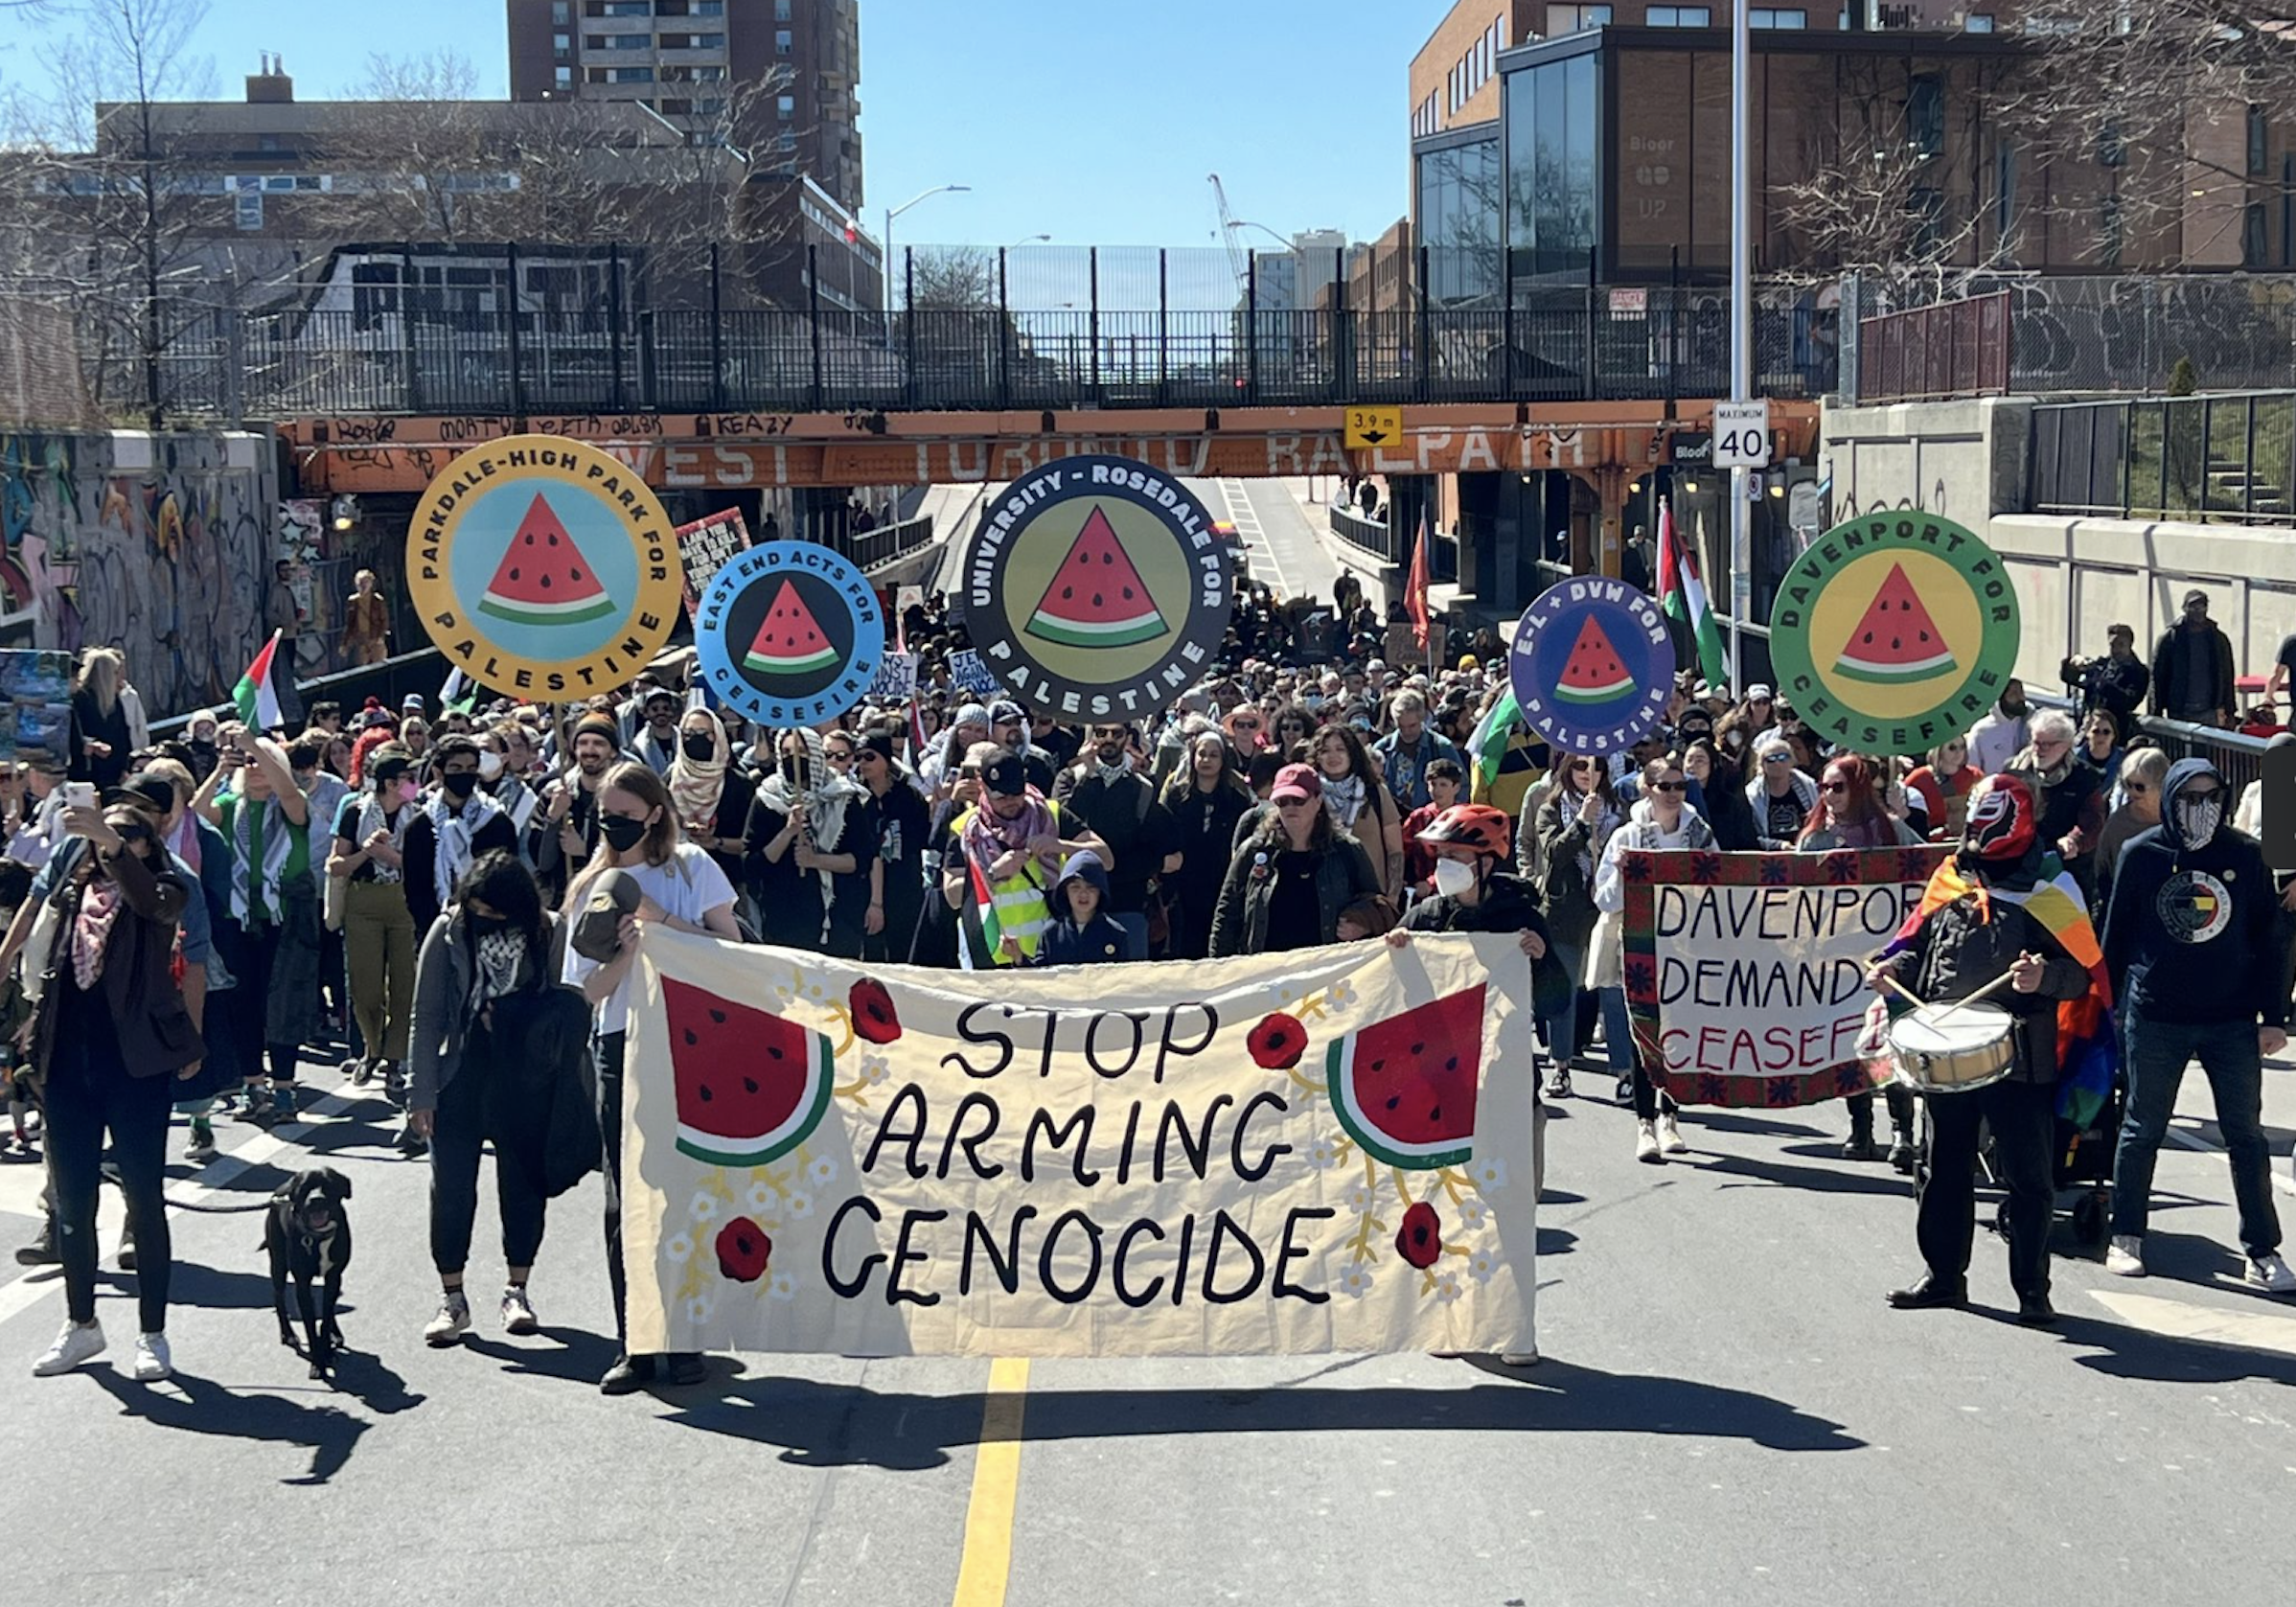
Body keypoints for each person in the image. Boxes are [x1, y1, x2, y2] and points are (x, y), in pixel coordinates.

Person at [1871, 774, 2094, 1325]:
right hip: (1947, 1048)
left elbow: (2084, 977)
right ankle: (1944, 1276)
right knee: (1941, 1166)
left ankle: (2032, 1290)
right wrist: (1890, 967)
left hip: (2020, 1056)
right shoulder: (1951, 875)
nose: (1975, 831)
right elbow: (1915, 944)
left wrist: (2043, 976)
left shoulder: (2051, 885)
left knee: (2029, 1178)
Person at [562, 762, 742, 1394]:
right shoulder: (592, 883)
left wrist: (666, 925)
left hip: (686, 1042)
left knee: (683, 1191)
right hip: (618, 1043)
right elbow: (585, 987)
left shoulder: (691, 867)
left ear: (655, 813)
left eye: (625, 813)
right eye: (603, 811)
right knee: (623, 1198)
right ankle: (633, 1342)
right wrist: (624, 954)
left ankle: (688, 1337)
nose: (612, 823)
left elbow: (734, 951)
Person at [2101, 758, 2296, 1291]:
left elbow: (2273, 941)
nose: (2201, 809)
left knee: (2247, 1137)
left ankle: (2262, 1250)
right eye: (2191, 797)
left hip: (2230, 1020)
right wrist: (2108, 1010)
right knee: (2142, 1130)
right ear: (2171, 800)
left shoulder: (2245, 854)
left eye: (2212, 797)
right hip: (2156, 1015)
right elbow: (2114, 937)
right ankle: (2127, 1235)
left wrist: (2274, 1017)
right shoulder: (2140, 855)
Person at [27, 794, 199, 1381]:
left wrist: (112, 840)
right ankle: (82, 1325)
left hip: (137, 1070)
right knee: (74, 1205)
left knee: (144, 1201)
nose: (103, 848)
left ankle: (153, 1333)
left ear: (147, 847)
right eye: (99, 839)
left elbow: (153, 903)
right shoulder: (75, 894)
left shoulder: (165, 892)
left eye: (127, 836)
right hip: (70, 1069)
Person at [409, 851, 567, 1346]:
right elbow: (426, 1013)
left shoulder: (549, 930)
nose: (485, 918)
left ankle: (517, 1290)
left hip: (523, 1078)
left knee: (522, 1189)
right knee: (452, 1189)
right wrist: (420, 1092)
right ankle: (451, 1298)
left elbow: (566, 1002)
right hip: (460, 1074)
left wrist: (525, 1023)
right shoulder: (450, 929)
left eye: (495, 912)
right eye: (477, 909)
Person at [1798, 754, 1924, 1162]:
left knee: (1889, 1043)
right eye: (1823, 787)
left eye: (1837, 787)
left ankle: (1902, 1131)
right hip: (1836, 961)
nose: (1829, 795)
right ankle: (1860, 1127)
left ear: (1858, 788)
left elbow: (1929, 868)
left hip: (1885, 961)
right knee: (1850, 1045)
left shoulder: (1888, 830)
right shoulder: (1815, 836)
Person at [195, 730, 319, 1127]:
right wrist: (220, 770)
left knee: (283, 1004)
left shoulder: (291, 807)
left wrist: (255, 748)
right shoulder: (230, 806)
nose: (254, 768)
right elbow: (196, 815)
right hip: (238, 918)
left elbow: (288, 794)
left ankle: (284, 1086)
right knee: (242, 1003)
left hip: (286, 918)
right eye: (248, 763)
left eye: (263, 762)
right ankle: (254, 1084)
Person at [1594, 752, 1711, 1161]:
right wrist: (1626, 874)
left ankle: (1670, 1118)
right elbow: (1604, 898)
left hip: (1686, 948)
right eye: (1666, 786)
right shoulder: (1625, 836)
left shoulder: (1699, 833)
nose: (1675, 794)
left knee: (1677, 1033)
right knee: (1644, 1033)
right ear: (1648, 788)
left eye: (1682, 786)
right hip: (1641, 947)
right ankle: (1644, 1122)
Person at [940, 751, 1106, 967]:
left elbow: (1105, 858)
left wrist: (1060, 845)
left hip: (1047, 952)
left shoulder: (1050, 814)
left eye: (1016, 793)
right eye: (1000, 796)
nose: (1010, 802)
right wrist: (992, 874)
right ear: (983, 785)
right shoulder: (965, 829)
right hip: (989, 955)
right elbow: (952, 895)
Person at [1209, 764, 1380, 956]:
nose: (1290, 807)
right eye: (1282, 801)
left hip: (1328, 970)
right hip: (1266, 970)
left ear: (1318, 801)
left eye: (1298, 800)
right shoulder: (1253, 850)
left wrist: (1361, 923)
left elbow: (1376, 904)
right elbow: (1227, 913)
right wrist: (1219, 969)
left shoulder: (1347, 850)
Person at [330, 742, 420, 1096]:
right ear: (388, 783)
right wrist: (368, 851)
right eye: (407, 778)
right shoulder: (355, 811)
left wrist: (391, 856)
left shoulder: (419, 815)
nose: (413, 784)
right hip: (363, 901)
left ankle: (395, 1060)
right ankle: (372, 1047)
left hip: (405, 901)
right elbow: (337, 865)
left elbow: (424, 866)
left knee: (404, 985)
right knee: (365, 986)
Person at [1050, 721, 1181, 960]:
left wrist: (1115, 868)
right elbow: (1064, 826)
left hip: (1127, 905)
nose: (1108, 739)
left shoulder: (1144, 787)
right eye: (1101, 732)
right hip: (1077, 908)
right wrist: (1089, 777)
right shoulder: (1069, 779)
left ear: (1128, 738)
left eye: (1116, 733)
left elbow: (1163, 853)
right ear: (1091, 737)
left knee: (1130, 989)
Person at [746, 726, 875, 957]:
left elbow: (861, 860)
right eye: (785, 752)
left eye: (801, 752)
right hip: (785, 920)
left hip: (838, 921)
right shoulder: (767, 799)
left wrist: (816, 860)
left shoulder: (842, 796)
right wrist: (787, 833)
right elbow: (752, 864)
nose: (793, 759)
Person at [402, 736, 519, 938]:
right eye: (456, 769)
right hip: (437, 928)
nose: (464, 775)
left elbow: (508, 879)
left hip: (490, 930)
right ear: (439, 772)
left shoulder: (496, 821)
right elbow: (415, 889)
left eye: (471, 769)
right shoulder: (421, 826)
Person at [1160, 729, 1256, 961]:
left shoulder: (1237, 801)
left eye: (1214, 755)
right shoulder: (1175, 797)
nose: (1206, 760)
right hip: (1180, 889)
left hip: (1220, 886)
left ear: (1223, 761)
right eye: (1201, 754)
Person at [2008, 710, 2105, 899]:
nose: (2039, 750)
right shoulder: (2013, 771)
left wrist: (2074, 841)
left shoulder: (2086, 778)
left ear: (2066, 746)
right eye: (2036, 742)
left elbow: (2093, 821)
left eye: (2048, 744)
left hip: (2066, 869)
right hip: (2017, 867)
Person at [855, 728, 930, 965]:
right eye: (859, 756)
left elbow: (922, 840)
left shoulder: (909, 797)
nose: (862, 763)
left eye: (870, 756)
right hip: (867, 893)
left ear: (886, 760)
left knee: (905, 958)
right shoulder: (855, 799)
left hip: (904, 890)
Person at [1305, 723, 1405, 900]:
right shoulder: (1309, 795)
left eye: (1340, 749)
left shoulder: (1375, 792)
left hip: (1370, 897)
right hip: (1322, 898)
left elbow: (1395, 850)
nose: (1333, 756)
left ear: (1352, 753)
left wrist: (1393, 896)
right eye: (1325, 750)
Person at [667, 706, 753, 892]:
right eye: (688, 733)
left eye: (703, 733)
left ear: (718, 736)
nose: (696, 739)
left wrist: (715, 842)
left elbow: (750, 842)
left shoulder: (738, 784)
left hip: (729, 882)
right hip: (680, 881)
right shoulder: (668, 781)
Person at [1013, 851, 1132, 967]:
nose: (1083, 894)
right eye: (1075, 887)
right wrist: (1019, 957)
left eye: (1091, 888)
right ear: (1065, 892)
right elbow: (1040, 976)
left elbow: (1122, 980)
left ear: (1101, 892)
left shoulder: (1116, 934)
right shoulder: (1051, 933)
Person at [2094, 746, 2168, 916]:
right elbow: (2103, 869)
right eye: (2128, 784)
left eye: (2140, 787)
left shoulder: (2176, 819)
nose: (2132, 792)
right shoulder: (2117, 823)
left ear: (2161, 785)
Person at [2149, 589, 2237, 727]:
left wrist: (2230, 712)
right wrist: (2156, 712)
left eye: (2202, 606)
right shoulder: (2170, 638)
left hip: (2209, 711)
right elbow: (2157, 677)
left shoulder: (2218, 639)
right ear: (2184, 608)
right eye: (2194, 607)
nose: (2198, 611)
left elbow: (2227, 675)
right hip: (2179, 711)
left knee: (2207, 749)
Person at [1372, 689, 1463, 812]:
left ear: (1422, 719)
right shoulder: (1382, 749)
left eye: (1412, 726)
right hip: (1394, 819)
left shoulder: (1441, 747)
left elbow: (1462, 786)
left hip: (1432, 818)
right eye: (1401, 726)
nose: (1407, 731)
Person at [69, 646, 135, 792]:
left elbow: (124, 736)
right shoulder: (81, 700)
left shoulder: (115, 702)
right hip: (90, 773)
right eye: (116, 672)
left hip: (114, 774)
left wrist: (125, 767)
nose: (121, 677)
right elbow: (75, 734)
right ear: (105, 674)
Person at [1400, 758, 1467, 894]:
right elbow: (1402, 850)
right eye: (1433, 784)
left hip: (1457, 887)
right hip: (1419, 889)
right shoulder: (1418, 817)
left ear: (1456, 788)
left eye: (1443, 785)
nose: (1437, 790)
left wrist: (1431, 883)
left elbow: (1464, 860)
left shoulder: (1464, 818)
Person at [1684, 739, 1758, 851]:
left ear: (1712, 765)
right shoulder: (1677, 797)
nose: (1692, 765)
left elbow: (1747, 840)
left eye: (1700, 761)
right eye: (1689, 760)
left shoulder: (1730, 802)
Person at [1745, 734, 1818, 848]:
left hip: (1807, 851)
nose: (1777, 763)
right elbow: (1751, 836)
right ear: (1762, 765)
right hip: (1770, 857)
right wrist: (1779, 845)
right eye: (1771, 759)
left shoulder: (1809, 786)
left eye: (1783, 757)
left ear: (1792, 761)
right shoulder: (1752, 795)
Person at [1905, 735, 1979, 842]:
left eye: (1962, 747)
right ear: (1939, 750)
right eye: (1952, 748)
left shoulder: (1975, 776)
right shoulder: (1920, 778)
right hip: (1931, 841)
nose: (1959, 752)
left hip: (1966, 840)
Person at [2078, 622, 2149, 728]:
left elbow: (2129, 702)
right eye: (2112, 645)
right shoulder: (2103, 664)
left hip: (2114, 730)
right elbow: (2072, 679)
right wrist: (2075, 666)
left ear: (2130, 645)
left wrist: (2102, 682)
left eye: (2120, 645)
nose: (2116, 650)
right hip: (2089, 725)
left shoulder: (2138, 672)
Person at [1966, 680, 2032, 776]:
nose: (2022, 698)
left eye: (2022, 693)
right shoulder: (1981, 731)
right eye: (2014, 694)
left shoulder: (2031, 722)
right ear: (2001, 697)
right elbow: (1973, 768)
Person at [341, 568, 390, 666]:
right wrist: (345, 643)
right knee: (362, 668)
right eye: (360, 583)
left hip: (375, 639)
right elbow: (350, 623)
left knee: (379, 666)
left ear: (371, 583)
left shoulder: (378, 601)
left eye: (365, 582)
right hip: (361, 641)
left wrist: (380, 636)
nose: (362, 585)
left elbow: (384, 620)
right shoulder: (353, 601)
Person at [631, 687, 684, 777]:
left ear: (672, 711)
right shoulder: (639, 746)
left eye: (666, 708)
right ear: (646, 713)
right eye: (655, 709)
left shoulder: (684, 738)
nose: (661, 712)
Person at [2076, 708, 2124, 792]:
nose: (2101, 736)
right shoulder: (2072, 757)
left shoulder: (2125, 760)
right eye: (2096, 731)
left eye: (2106, 732)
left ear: (2113, 735)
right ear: (2087, 733)